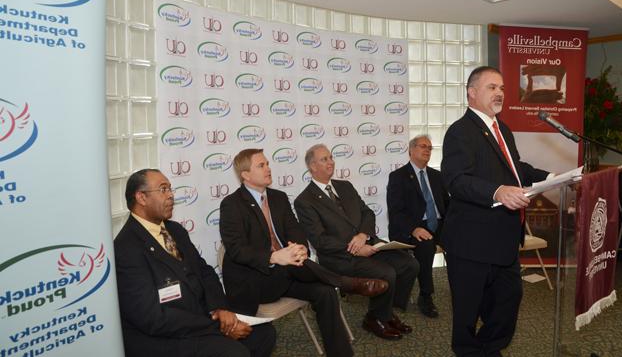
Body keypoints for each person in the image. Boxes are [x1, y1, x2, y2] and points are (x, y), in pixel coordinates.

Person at [220, 149, 388, 357]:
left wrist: (299, 249)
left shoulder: (279, 198)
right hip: (256, 280)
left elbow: (296, 232)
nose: (268, 168)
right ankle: (345, 283)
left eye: (268, 163)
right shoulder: (232, 204)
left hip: (289, 273)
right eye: (261, 165)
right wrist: (274, 257)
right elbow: (237, 249)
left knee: (324, 292)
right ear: (245, 174)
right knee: (290, 266)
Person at [441, 66, 551, 357]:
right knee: (467, 314)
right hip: (470, 242)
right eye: (492, 87)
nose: (500, 93)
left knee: (506, 304)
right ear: (472, 93)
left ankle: (489, 350)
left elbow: (516, 170)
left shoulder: (502, 129)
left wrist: (551, 178)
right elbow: (456, 180)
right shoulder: (459, 132)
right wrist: (497, 191)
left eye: (502, 88)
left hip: (503, 240)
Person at [114, 169, 276, 357]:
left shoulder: (174, 230)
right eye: (163, 189)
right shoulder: (126, 248)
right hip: (164, 337)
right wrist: (216, 326)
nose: (171, 195)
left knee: (264, 335)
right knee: (233, 352)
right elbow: (153, 318)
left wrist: (220, 308)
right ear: (141, 197)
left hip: (199, 319)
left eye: (170, 189)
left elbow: (204, 271)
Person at [295, 144, 419, 341]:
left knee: (409, 264)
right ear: (312, 166)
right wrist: (354, 248)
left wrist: (363, 235)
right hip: (340, 257)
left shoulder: (345, 186)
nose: (331, 162)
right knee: (386, 273)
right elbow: (319, 240)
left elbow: (367, 213)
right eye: (324, 159)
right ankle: (377, 318)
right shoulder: (305, 200)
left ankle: (383, 312)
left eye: (331, 157)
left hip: (368, 243)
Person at [387, 134, 449, 318]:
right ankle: (425, 295)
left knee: (461, 240)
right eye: (423, 146)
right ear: (411, 150)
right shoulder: (398, 176)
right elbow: (396, 211)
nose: (427, 150)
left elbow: (448, 205)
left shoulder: (437, 176)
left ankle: (464, 287)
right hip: (413, 226)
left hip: (438, 223)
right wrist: (413, 229)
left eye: (430, 148)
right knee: (425, 245)